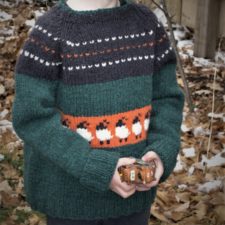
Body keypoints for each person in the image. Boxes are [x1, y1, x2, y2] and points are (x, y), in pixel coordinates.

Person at [11, 0, 185, 224]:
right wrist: (95, 167)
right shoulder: (51, 32)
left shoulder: (146, 25)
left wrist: (161, 151)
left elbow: (167, 98)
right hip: (70, 201)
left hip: (134, 199)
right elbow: (32, 118)